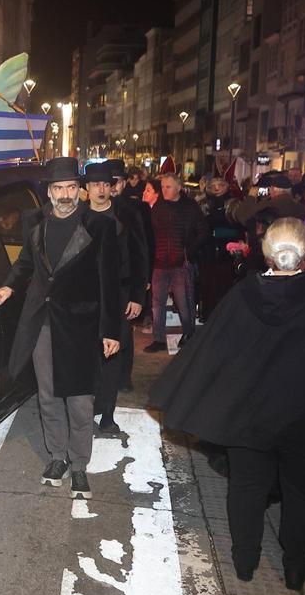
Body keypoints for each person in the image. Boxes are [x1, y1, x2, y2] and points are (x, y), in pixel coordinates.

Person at [151, 218, 305, 590]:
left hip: (251, 414)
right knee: (304, 491)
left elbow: (214, 349)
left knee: (247, 486)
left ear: (265, 252)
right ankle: (296, 565)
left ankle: (244, 559)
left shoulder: (245, 293)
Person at [0, 157, 121, 500]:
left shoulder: (99, 226)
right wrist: (9, 286)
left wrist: (111, 330)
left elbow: (110, 282)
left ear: (79, 190)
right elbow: (25, 263)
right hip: (42, 320)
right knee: (48, 395)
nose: (64, 194)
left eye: (69, 187)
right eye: (57, 188)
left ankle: (79, 464)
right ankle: (58, 456)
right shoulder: (34, 222)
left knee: (79, 399)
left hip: (80, 323)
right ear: (48, 192)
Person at [83, 162, 147, 437]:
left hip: (119, 294)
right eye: (96, 185)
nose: (101, 189)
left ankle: (107, 414)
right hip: (85, 296)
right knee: (87, 354)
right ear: (86, 189)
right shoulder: (78, 217)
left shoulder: (127, 214)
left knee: (113, 354)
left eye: (106, 185)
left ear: (112, 187)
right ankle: (88, 408)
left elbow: (140, 255)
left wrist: (137, 296)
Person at [144, 173, 208, 352]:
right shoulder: (159, 207)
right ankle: (159, 339)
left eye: (168, 187)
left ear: (179, 187)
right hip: (160, 262)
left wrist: (188, 250)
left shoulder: (190, 207)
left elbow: (203, 231)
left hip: (180, 263)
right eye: (163, 187)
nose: (164, 190)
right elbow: (152, 233)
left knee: (184, 302)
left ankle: (189, 333)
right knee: (157, 304)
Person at [198, 175, 243, 320]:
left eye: (220, 185)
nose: (217, 189)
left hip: (228, 251)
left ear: (226, 186)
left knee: (225, 286)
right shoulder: (203, 203)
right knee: (207, 286)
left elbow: (238, 226)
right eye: (213, 186)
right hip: (207, 251)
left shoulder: (234, 204)